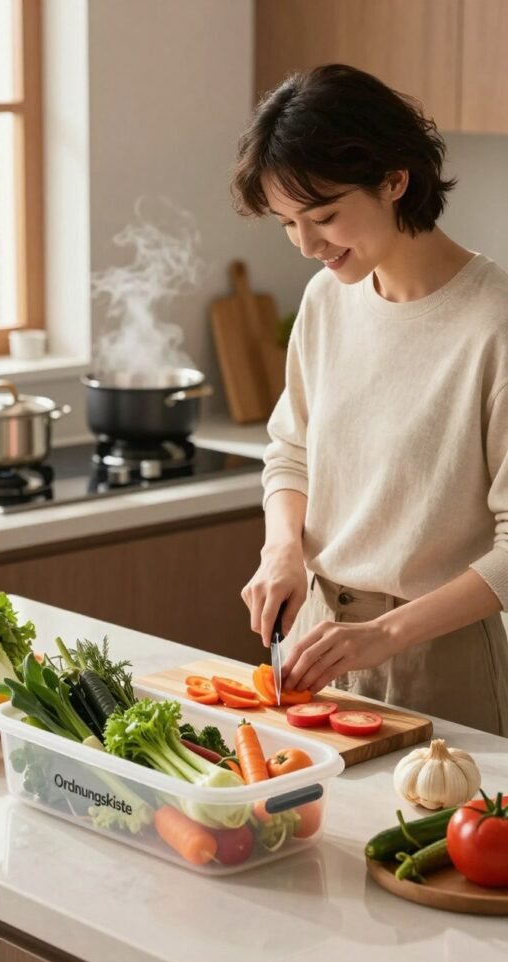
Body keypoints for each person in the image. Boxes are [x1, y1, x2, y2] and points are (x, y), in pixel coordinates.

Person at [231, 64, 508, 736]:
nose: (305, 246)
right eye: (286, 224)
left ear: (393, 179)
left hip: (435, 657)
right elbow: (291, 449)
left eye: (323, 216)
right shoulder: (328, 298)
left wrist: (384, 636)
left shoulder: (493, 324)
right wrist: (280, 551)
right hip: (317, 639)